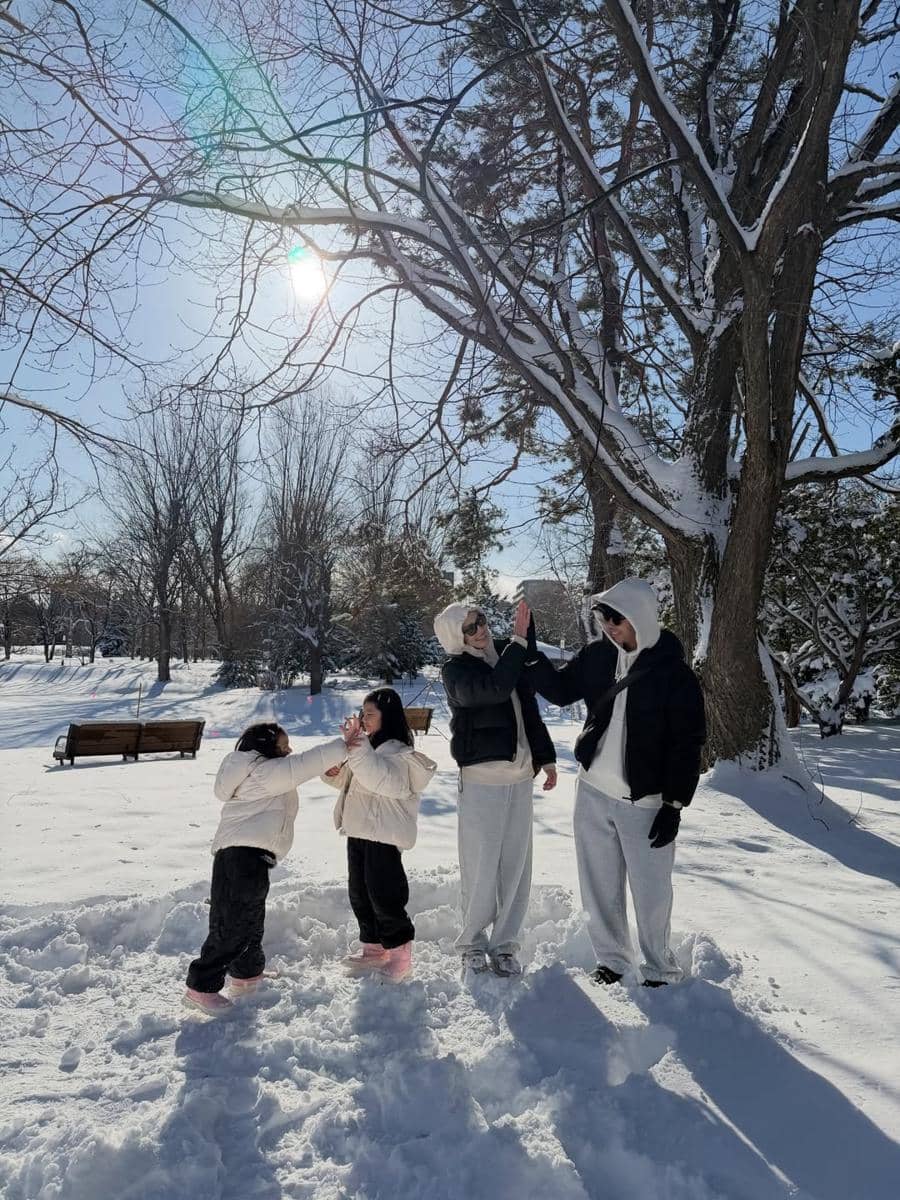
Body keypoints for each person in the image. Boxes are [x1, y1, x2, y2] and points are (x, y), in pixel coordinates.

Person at [524, 578, 705, 987]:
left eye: (615, 620)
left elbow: (687, 744)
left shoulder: (675, 677)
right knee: (599, 884)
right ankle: (613, 960)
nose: (608, 626)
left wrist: (673, 805)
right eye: (603, 618)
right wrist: (531, 656)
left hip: (644, 800)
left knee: (651, 891)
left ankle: (660, 967)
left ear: (640, 618)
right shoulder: (598, 658)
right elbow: (559, 691)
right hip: (592, 790)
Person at [184, 719, 361, 1014]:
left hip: (252, 857)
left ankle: (246, 975)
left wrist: (329, 764)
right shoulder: (262, 772)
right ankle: (200, 987)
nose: (289, 749)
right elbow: (302, 765)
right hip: (240, 857)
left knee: (251, 921)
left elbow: (299, 767)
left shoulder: (262, 770)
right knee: (232, 925)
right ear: (266, 747)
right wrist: (342, 746)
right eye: (283, 744)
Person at [434, 599, 557, 980]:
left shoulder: (507, 654)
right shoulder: (455, 670)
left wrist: (546, 757)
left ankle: (505, 945)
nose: (480, 630)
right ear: (457, 637)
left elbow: (528, 709)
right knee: (481, 865)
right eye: (470, 627)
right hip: (482, 781)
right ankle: (471, 943)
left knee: (516, 866)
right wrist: (518, 644)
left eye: (481, 621)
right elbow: (494, 690)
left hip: (520, 777)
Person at [323, 688, 437, 982]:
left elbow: (380, 780)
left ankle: (400, 954)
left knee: (385, 895)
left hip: (383, 836)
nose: (364, 719)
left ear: (388, 716)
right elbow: (353, 783)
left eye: (370, 714)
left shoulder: (400, 753)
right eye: (362, 713)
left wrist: (358, 748)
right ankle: (373, 948)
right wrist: (334, 770)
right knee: (360, 893)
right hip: (358, 830)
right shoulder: (368, 750)